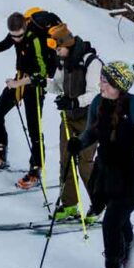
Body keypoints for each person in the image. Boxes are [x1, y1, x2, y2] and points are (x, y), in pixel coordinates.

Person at [68, 60, 134, 268]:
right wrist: (79, 143)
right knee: (119, 222)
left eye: (105, 81)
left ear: (119, 86)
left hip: (133, 175)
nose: (100, 83)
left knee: (110, 222)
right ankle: (127, 262)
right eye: (101, 78)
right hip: (107, 174)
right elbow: (92, 132)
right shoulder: (98, 103)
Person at [0, 9, 59, 188]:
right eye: (14, 35)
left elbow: (43, 72)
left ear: (25, 27)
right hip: (20, 80)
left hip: (34, 85)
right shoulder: (15, 34)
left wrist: (18, 83)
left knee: (34, 130)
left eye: (19, 36)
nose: (16, 39)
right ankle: (0, 156)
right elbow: (6, 43)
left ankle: (35, 171)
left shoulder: (36, 39)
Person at [45, 22, 102, 222]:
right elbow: (58, 86)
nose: (57, 53)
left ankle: (98, 205)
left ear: (67, 44)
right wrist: (42, 82)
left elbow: (95, 94)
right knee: (66, 161)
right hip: (68, 118)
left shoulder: (91, 62)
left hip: (89, 119)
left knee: (85, 163)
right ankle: (70, 205)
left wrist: (73, 101)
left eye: (58, 49)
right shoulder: (63, 61)